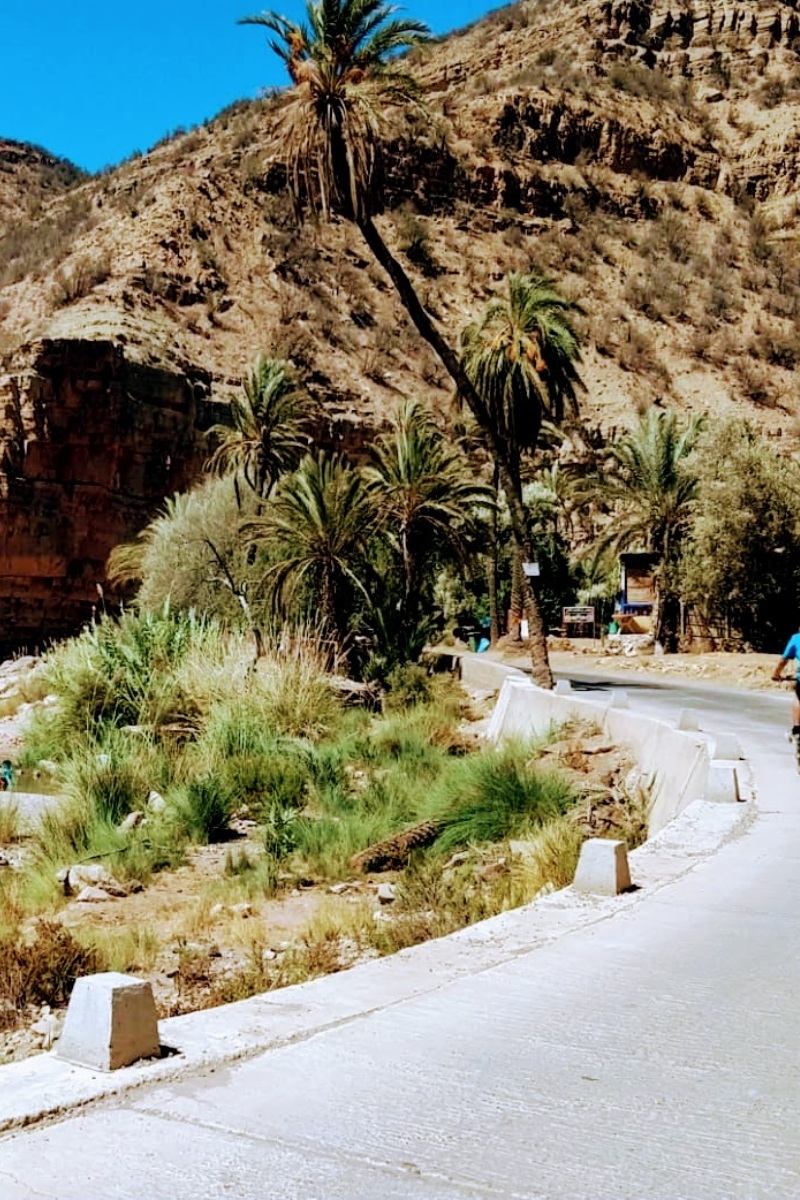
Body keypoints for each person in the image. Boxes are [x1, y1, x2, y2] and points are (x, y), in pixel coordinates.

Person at [772, 628, 800, 738]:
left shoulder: (797, 638)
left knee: (798, 698)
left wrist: (776, 674)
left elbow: (783, 660)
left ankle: (797, 729)